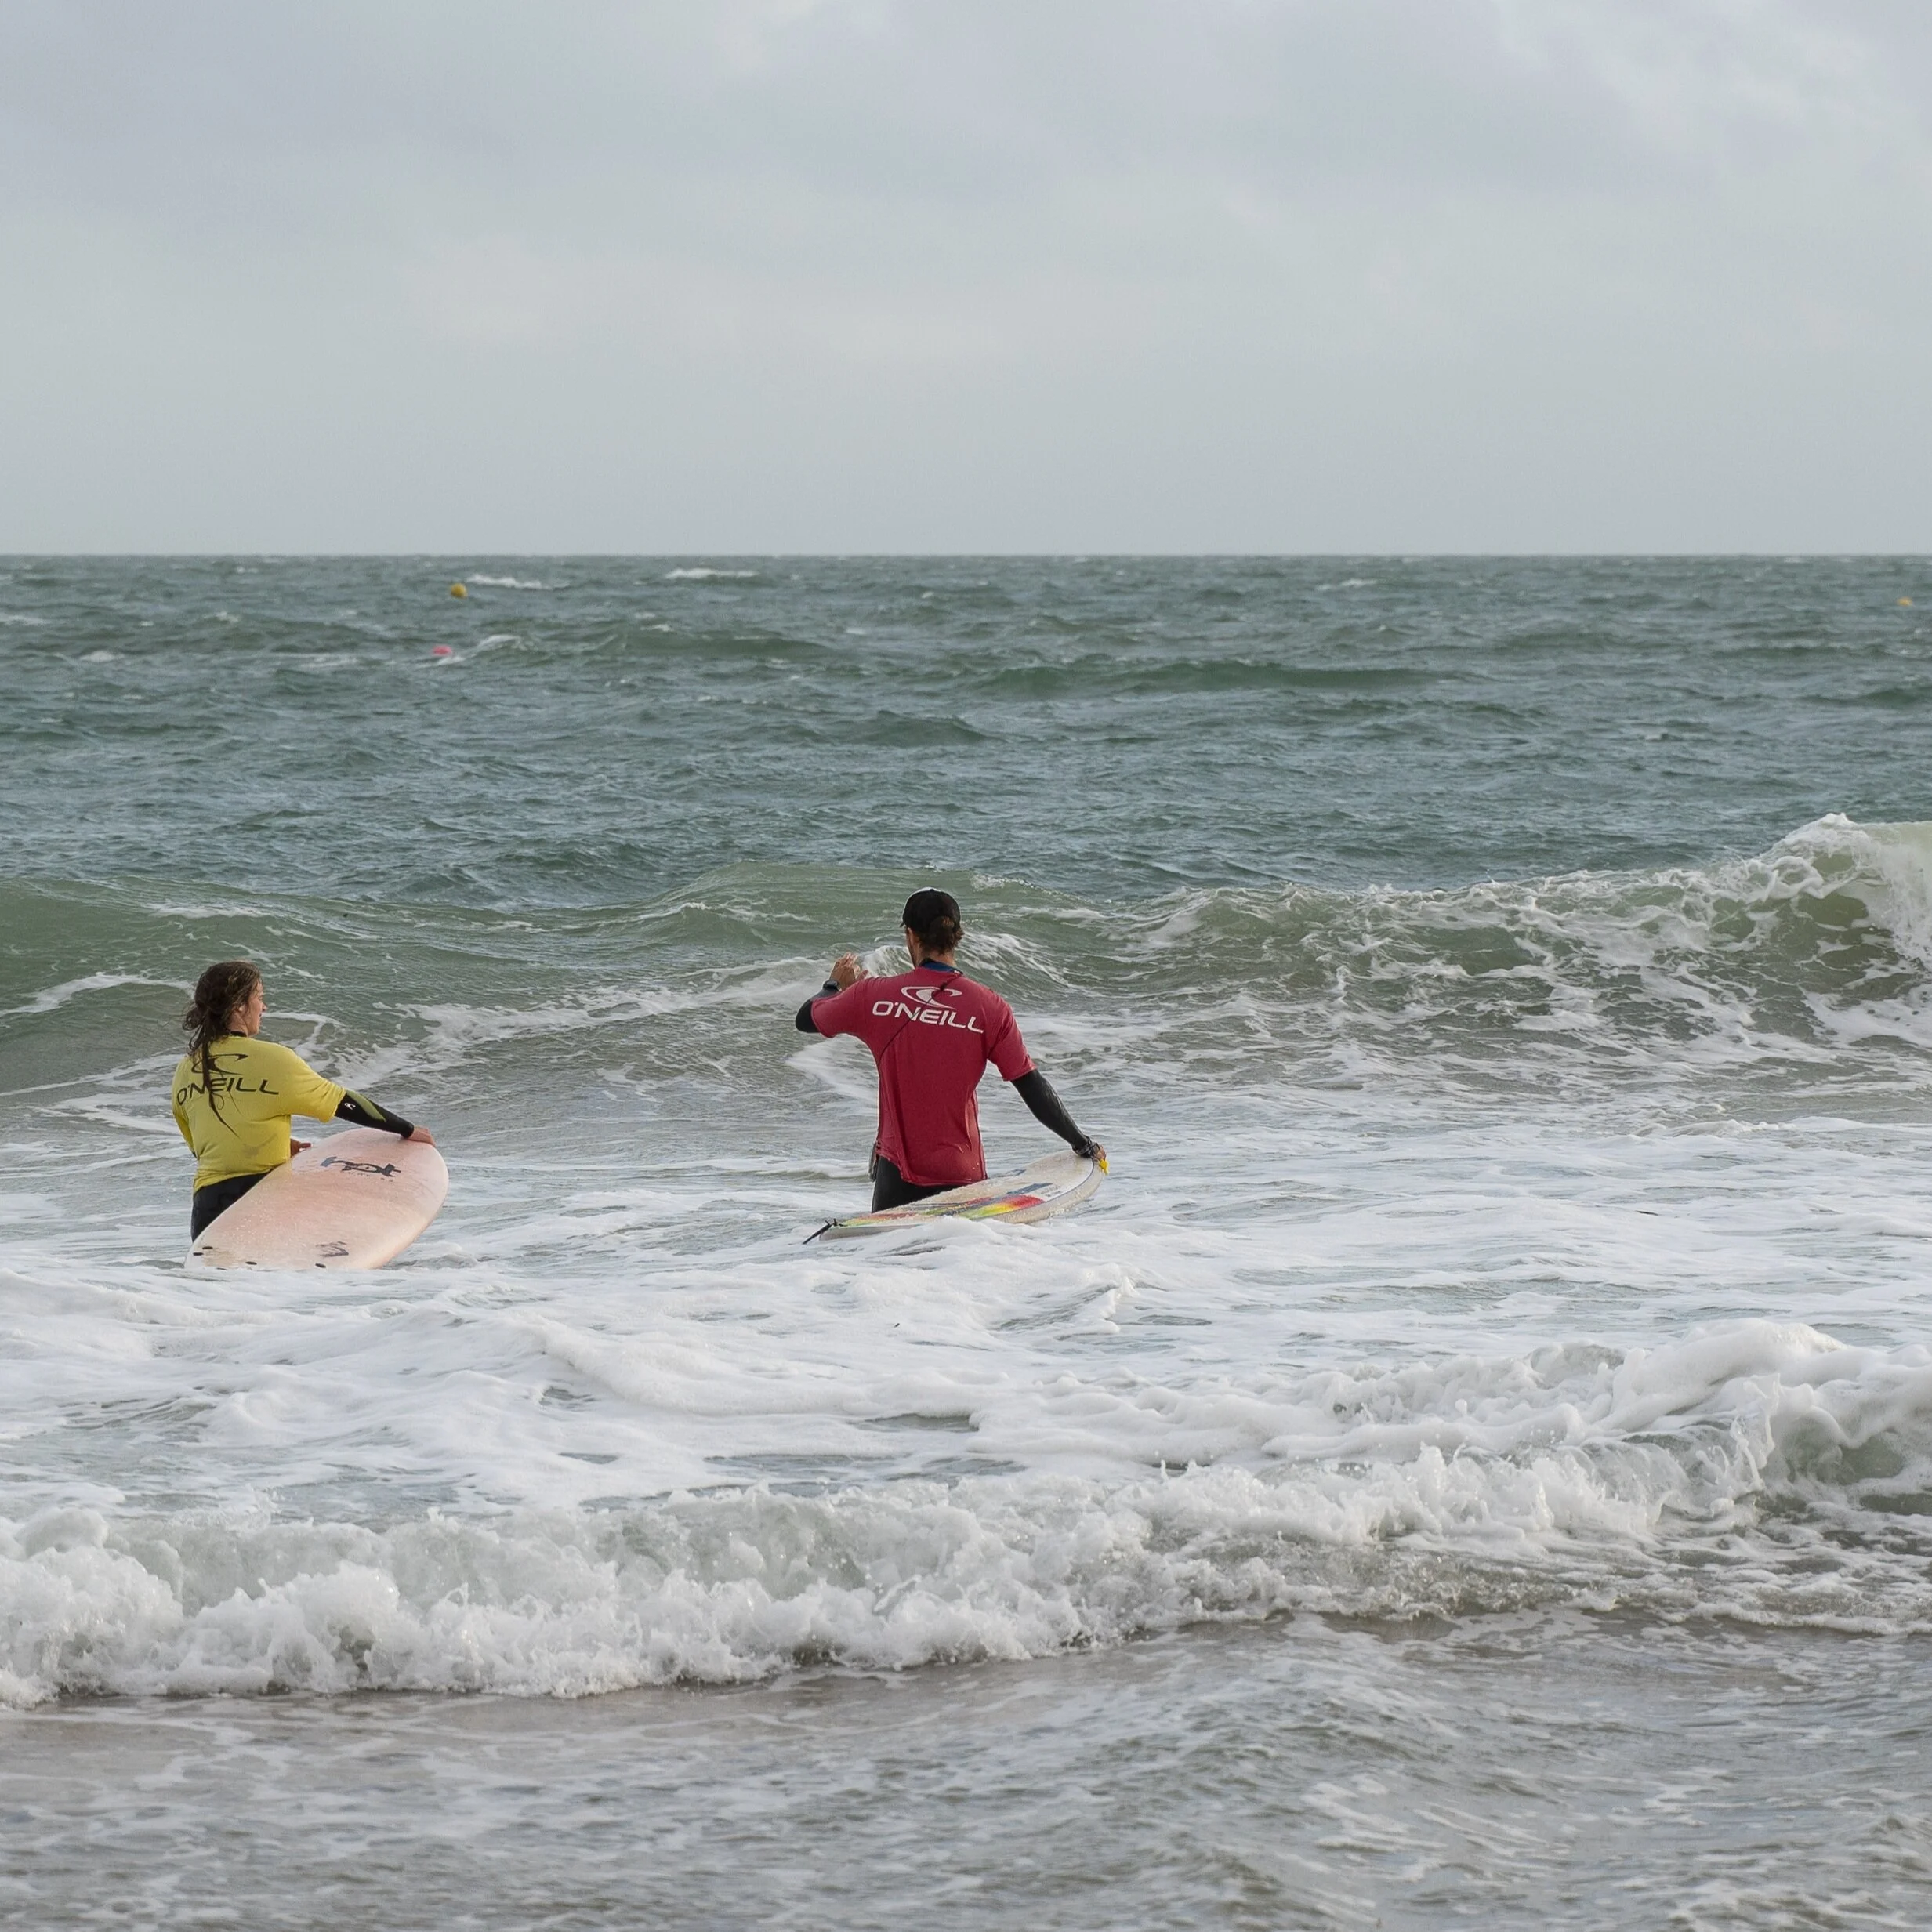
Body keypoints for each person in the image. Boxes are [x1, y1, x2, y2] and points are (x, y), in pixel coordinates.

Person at [794, 888, 1104, 1211]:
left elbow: (806, 1018)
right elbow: (1030, 1084)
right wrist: (1081, 1143)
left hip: (897, 1178)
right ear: (956, 936)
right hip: (962, 1175)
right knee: (958, 1259)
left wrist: (835, 986)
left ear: (910, 936)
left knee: (888, 1261)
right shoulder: (990, 1006)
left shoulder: (872, 996)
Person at [171, 959, 434, 1238]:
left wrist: (271, 1142)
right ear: (239, 1005)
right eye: (259, 998)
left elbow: (204, 1146)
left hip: (207, 1211)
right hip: (260, 1201)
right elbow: (342, 1102)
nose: (264, 1007)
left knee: (220, 1283)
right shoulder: (274, 1060)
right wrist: (406, 1129)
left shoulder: (186, 1069)